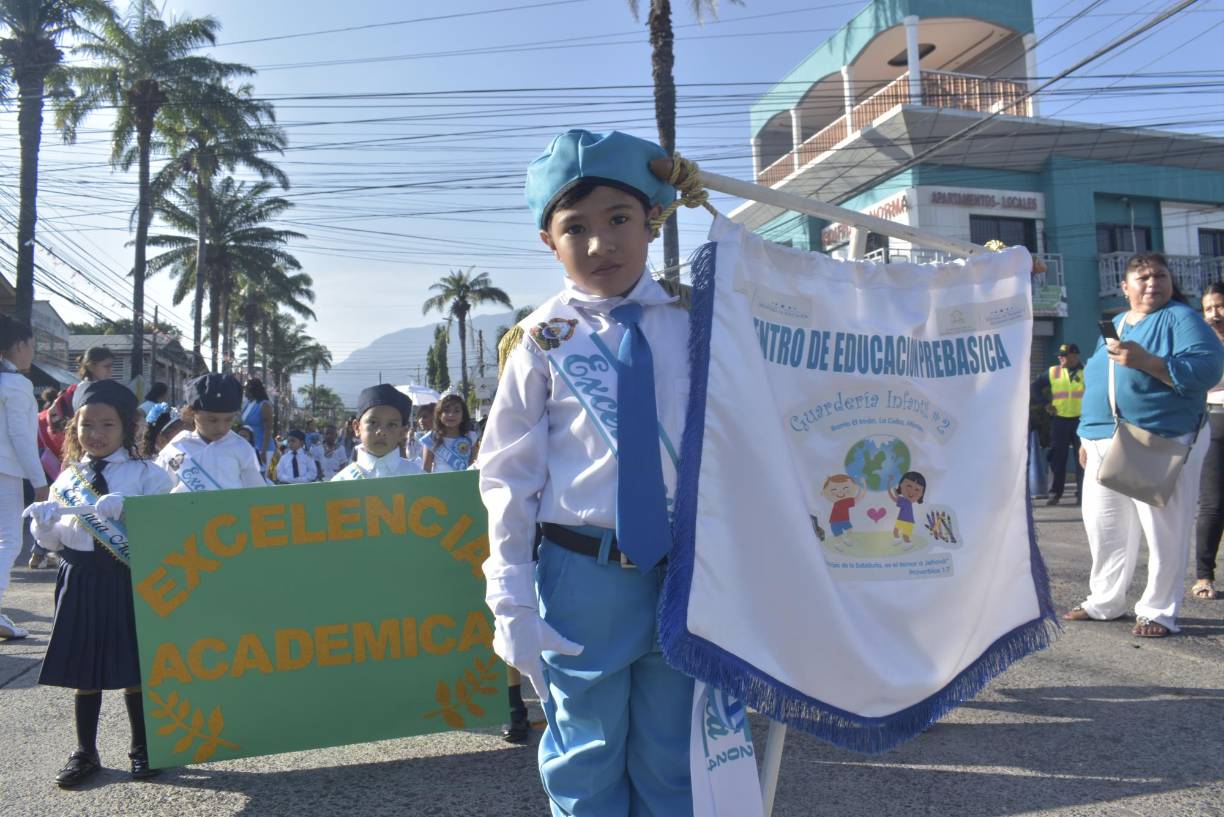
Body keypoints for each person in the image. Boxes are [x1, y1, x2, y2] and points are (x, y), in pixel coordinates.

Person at [478, 129, 692, 816]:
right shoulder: (540, 341)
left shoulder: (698, 320)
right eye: (575, 227)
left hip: (687, 570)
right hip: (582, 573)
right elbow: (508, 478)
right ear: (549, 241)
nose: (600, 244)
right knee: (585, 756)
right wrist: (511, 598)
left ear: (653, 219)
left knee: (676, 756)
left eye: (619, 218)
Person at [1064, 252, 1224, 637]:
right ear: (1125, 287)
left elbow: (1208, 369)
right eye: (1144, 277)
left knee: (1163, 529)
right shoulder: (1118, 322)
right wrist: (1086, 434)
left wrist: (1150, 362)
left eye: (1160, 276)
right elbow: (1099, 378)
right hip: (1103, 438)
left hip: (1157, 436)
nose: (1153, 283)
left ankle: (1158, 610)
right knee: (1105, 526)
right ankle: (1105, 601)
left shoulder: (1181, 319)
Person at [23, 379, 173, 786]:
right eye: (87, 425)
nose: (96, 434)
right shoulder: (68, 477)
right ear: (75, 428)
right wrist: (43, 525)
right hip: (78, 578)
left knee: (133, 666)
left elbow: (166, 528)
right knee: (83, 668)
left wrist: (131, 512)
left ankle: (144, 748)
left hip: (126, 578)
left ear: (128, 427)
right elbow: (54, 542)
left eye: (108, 425)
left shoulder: (148, 475)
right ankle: (85, 752)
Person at [0, 316, 49, 637]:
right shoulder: (16, 384)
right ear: (19, 345)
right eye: (31, 346)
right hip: (4, 471)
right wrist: (39, 481)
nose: (32, 352)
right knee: (9, 540)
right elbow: (21, 437)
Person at [156, 374, 265, 492]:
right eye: (212, 420)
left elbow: (257, 492)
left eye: (229, 420)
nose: (221, 428)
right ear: (192, 412)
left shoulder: (241, 448)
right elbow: (158, 489)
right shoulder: (177, 446)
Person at [1193, 281, 1224, 600]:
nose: (1215, 314)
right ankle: (1204, 576)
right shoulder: (1199, 343)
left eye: (1220, 306)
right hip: (1214, 422)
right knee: (1213, 504)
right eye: (1209, 308)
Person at [332, 385, 422, 480]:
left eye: (391, 425)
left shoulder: (418, 478)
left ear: (402, 432)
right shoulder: (341, 481)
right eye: (373, 423)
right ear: (357, 428)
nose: (381, 431)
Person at [1040, 343, 1085, 505]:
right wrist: (1046, 404)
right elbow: (1035, 388)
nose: (1060, 357)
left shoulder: (1086, 372)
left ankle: (1083, 494)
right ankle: (1055, 493)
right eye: (1059, 355)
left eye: (1063, 355)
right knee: (1057, 458)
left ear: (1074, 356)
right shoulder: (1053, 371)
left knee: (1082, 459)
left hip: (1081, 421)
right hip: (1060, 420)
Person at [422, 393, 480, 473]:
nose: (451, 415)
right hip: (439, 480)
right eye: (446, 411)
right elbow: (426, 470)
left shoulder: (471, 437)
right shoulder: (431, 437)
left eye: (456, 411)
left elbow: (474, 465)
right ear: (439, 415)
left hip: (465, 480)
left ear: (463, 415)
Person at [240, 378, 275, 469]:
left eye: (246, 388)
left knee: (264, 476)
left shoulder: (264, 404)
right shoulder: (248, 404)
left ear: (252, 389)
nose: (244, 390)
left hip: (263, 449)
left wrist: (264, 450)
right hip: (251, 448)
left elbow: (268, 429)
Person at [70, 347, 114, 413]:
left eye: (111, 366)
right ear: (91, 367)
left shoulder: (86, 386)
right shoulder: (88, 390)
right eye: (106, 366)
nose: (111, 370)